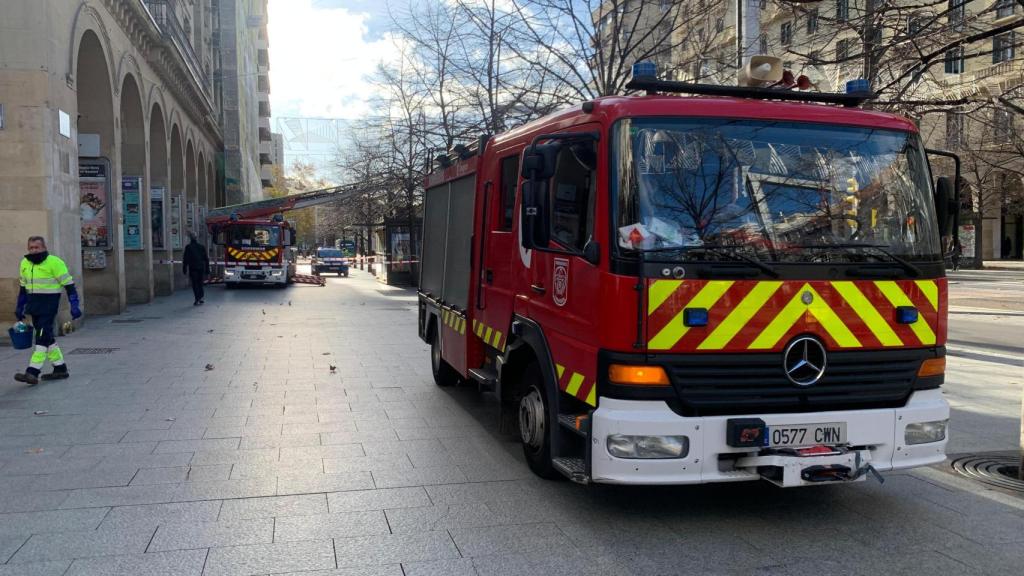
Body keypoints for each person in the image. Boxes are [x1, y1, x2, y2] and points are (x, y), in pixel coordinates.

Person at [14, 236, 82, 386]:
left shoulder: (55, 262)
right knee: (47, 337)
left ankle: (32, 372)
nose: (33, 250)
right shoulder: (25, 263)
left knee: (41, 336)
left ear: (44, 247)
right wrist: (19, 307)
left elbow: (69, 285)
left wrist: (74, 305)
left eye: (36, 247)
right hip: (33, 306)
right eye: (31, 248)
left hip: (49, 306)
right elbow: (23, 288)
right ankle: (60, 368)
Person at [182, 231, 210, 306]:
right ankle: (200, 297)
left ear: (190, 238)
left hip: (193, 268)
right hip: (201, 267)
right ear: (196, 238)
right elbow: (206, 259)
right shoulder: (201, 247)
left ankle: (197, 298)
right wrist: (207, 269)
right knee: (200, 283)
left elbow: (185, 258)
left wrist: (184, 268)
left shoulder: (188, 247)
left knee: (194, 284)